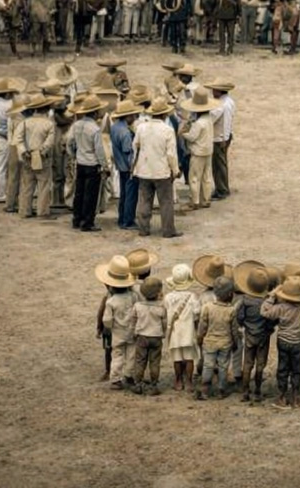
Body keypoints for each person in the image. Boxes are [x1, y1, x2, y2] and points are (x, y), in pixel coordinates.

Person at [132, 99, 181, 238]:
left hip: (144, 170)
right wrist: (175, 170)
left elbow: (135, 145)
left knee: (144, 200)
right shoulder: (168, 130)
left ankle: (144, 228)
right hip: (162, 171)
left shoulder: (141, 127)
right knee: (166, 202)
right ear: (164, 115)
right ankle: (168, 230)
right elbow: (171, 154)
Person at [261, 275, 300, 409]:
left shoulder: (281, 308)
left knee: (283, 367)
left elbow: (264, 312)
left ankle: (282, 396)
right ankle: (295, 396)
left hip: (283, 340)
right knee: (296, 369)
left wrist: (271, 296)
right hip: (298, 342)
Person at [234, 261, 275, 402]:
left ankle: (245, 391)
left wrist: (244, 325)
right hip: (264, 335)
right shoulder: (267, 302)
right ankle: (257, 391)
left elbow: (239, 316)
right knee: (260, 364)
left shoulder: (245, 300)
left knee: (247, 363)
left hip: (249, 334)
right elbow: (271, 319)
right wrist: (270, 329)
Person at [96, 255, 137, 390]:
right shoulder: (133, 296)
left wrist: (110, 327)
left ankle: (115, 379)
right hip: (131, 331)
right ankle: (129, 375)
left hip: (117, 333)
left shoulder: (111, 301)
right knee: (131, 354)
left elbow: (106, 319)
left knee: (117, 355)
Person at [196, 274, 239, 400]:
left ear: (215, 292)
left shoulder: (207, 307)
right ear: (231, 294)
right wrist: (235, 343)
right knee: (223, 366)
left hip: (209, 342)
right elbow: (234, 330)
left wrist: (200, 338)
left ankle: (205, 389)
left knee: (208, 365)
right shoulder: (231, 310)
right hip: (225, 343)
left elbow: (202, 326)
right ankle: (221, 390)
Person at [68, 95, 107, 232]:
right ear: (95, 112)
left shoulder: (76, 125)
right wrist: (105, 165)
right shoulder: (94, 129)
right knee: (90, 195)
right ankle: (87, 222)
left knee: (79, 192)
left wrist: (74, 155)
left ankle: (76, 219)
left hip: (80, 162)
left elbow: (70, 143)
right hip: (92, 164)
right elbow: (99, 150)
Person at [163, 263, 200, 393]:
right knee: (189, 358)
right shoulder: (192, 296)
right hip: (188, 332)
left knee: (177, 359)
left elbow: (166, 311)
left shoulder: (168, 297)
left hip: (174, 332)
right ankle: (189, 381)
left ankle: (178, 380)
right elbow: (196, 313)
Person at [130, 276, 167, 396]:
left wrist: (134, 332)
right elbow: (164, 322)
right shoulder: (161, 307)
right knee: (154, 361)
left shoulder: (138, 306)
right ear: (158, 293)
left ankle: (138, 384)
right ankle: (154, 384)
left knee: (140, 360)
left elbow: (133, 320)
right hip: (156, 336)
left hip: (142, 336)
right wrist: (163, 333)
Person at [109, 100, 141, 229]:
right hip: (128, 167)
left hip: (120, 165)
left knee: (123, 194)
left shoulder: (115, 127)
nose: (134, 117)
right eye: (133, 115)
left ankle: (122, 218)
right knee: (131, 195)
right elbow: (129, 153)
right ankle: (128, 221)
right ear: (127, 116)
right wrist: (134, 168)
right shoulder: (125, 132)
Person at [205, 80, 235, 202]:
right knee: (221, 164)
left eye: (214, 90)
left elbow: (211, 119)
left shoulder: (221, 105)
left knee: (218, 166)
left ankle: (221, 190)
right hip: (226, 136)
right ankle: (223, 188)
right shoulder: (230, 101)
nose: (212, 92)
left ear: (220, 91)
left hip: (219, 138)